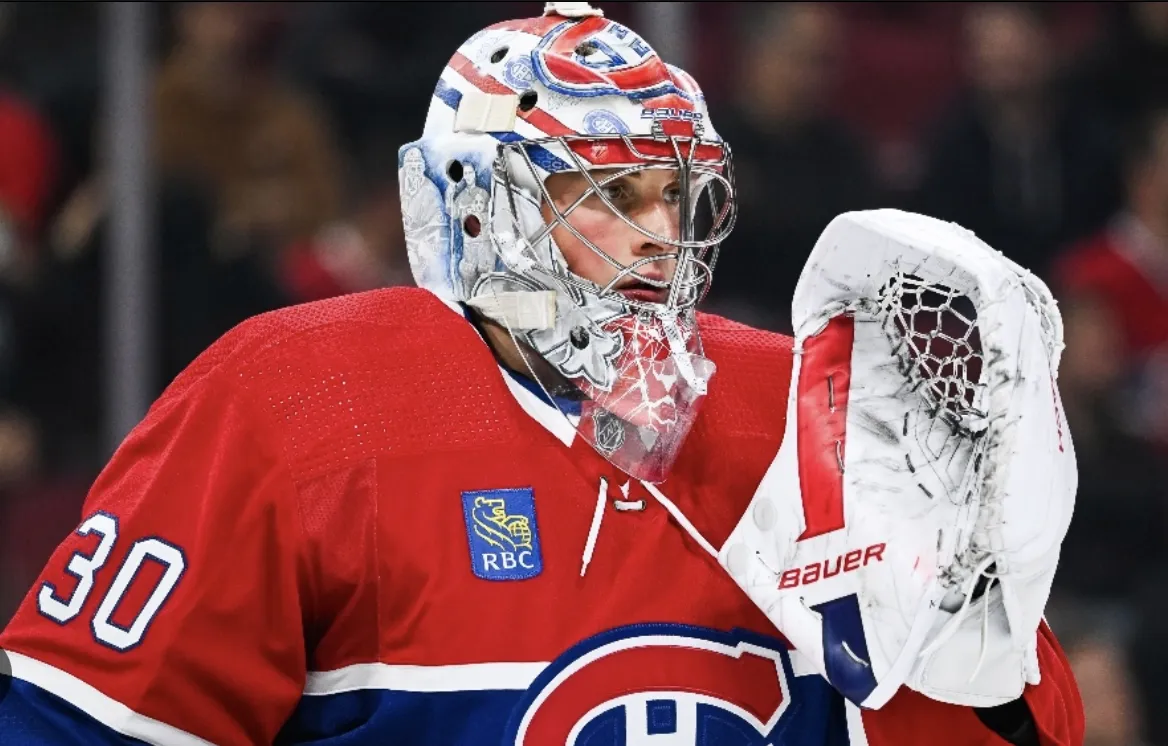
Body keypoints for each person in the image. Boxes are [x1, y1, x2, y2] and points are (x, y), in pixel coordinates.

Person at [0, 4, 1082, 745]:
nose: (664, 236)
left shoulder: (806, 409)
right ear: (478, 209)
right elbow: (79, 722)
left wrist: (980, 658)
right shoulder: (295, 396)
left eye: (678, 193)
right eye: (612, 196)